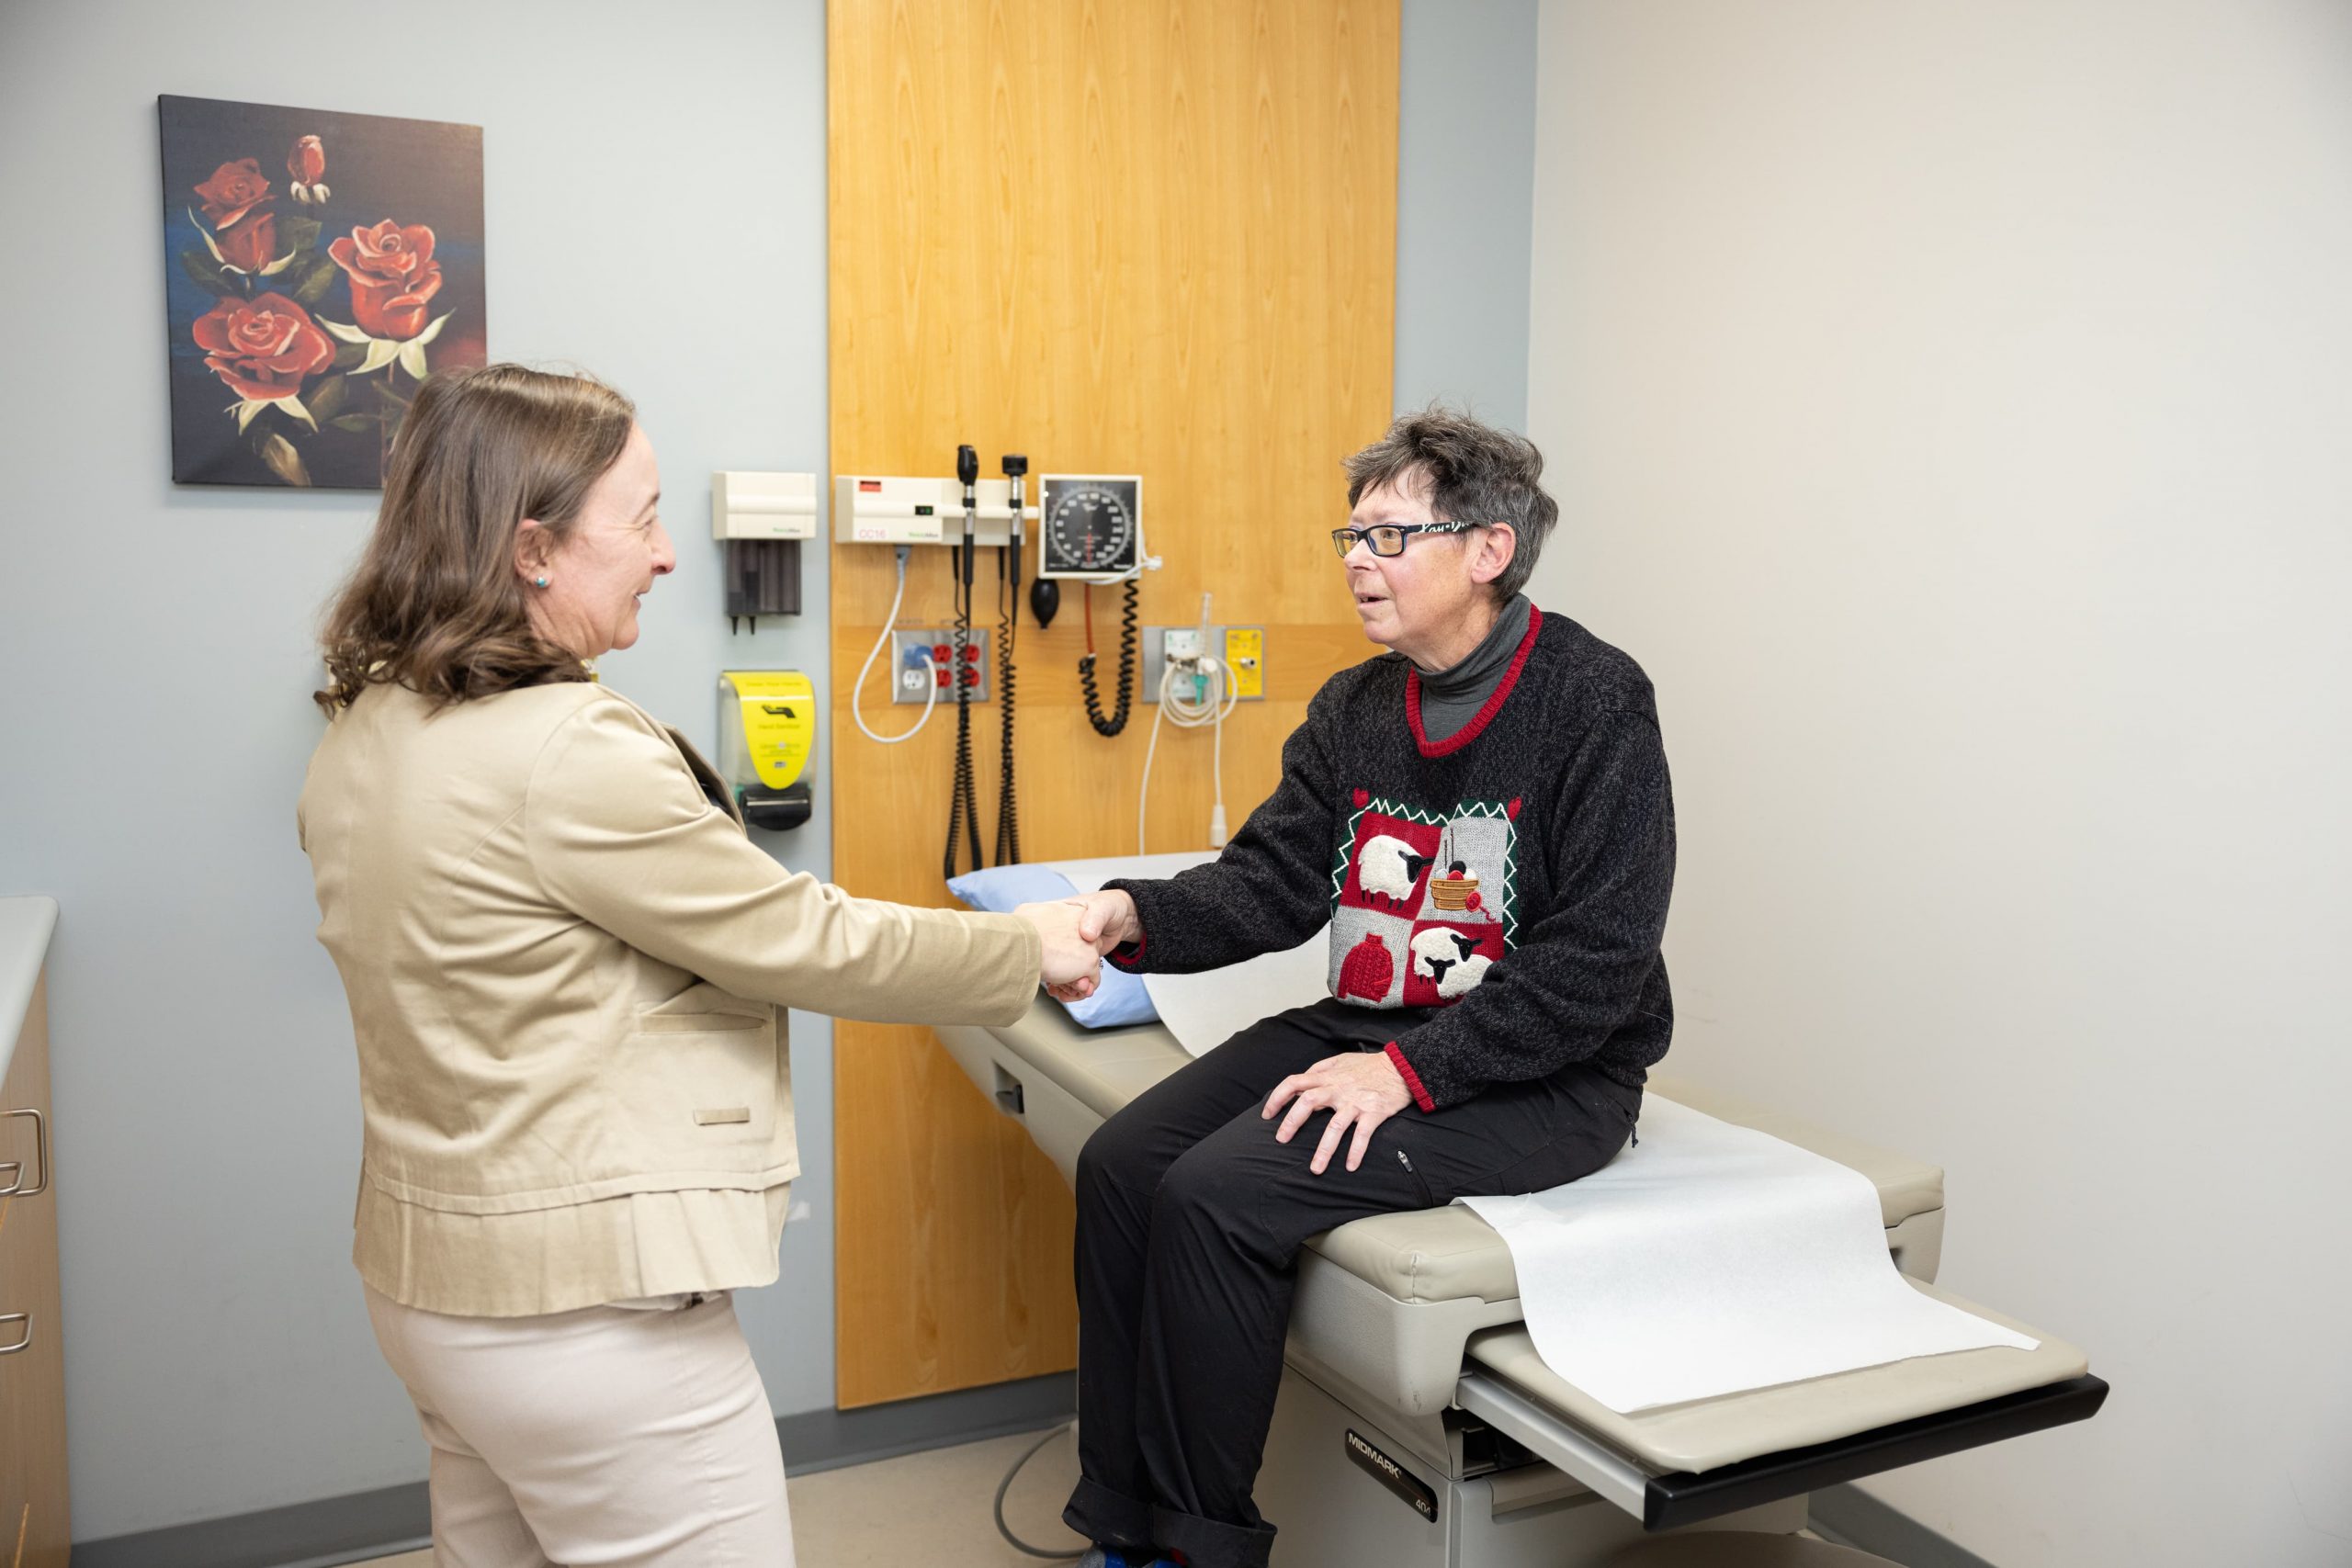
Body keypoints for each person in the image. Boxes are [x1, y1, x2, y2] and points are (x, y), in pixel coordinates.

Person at [297, 363, 1104, 1567]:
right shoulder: (568, 750)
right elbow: (801, 936)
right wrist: (1025, 942)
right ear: (532, 547)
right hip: (585, 1323)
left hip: (437, 1287)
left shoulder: (371, 724)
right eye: (641, 517)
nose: (667, 554)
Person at [1053, 409, 1676, 1568]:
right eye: (1350, 533)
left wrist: (1407, 1071)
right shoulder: (1354, 706)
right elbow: (1273, 882)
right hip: (1378, 1026)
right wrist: (1134, 914)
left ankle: (1199, 1548)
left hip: (1549, 1075)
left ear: (1487, 550)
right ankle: (1124, 1526)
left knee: (1219, 1194)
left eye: (1388, 536)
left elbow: (1602, 959)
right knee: (1124, 1167)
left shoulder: (1593, 699)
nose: (1355, 559)